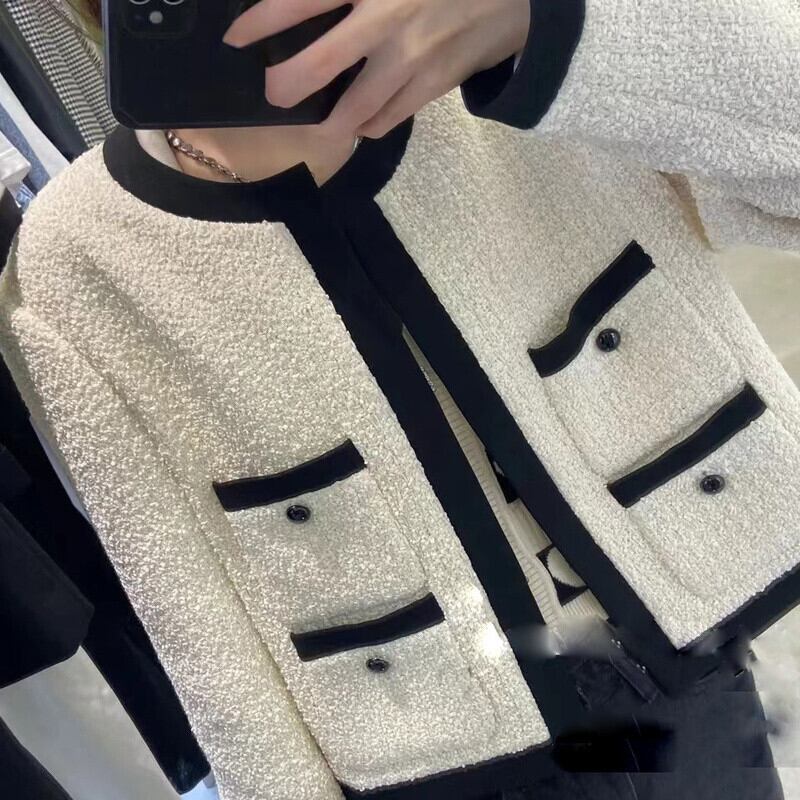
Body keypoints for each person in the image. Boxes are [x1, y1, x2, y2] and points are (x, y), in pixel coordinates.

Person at [1, 1, 797, 799]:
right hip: (442, 765)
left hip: (688, 669)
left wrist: (544, 26)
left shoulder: (512, 56)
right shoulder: (79, 256)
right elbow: (197, 622)